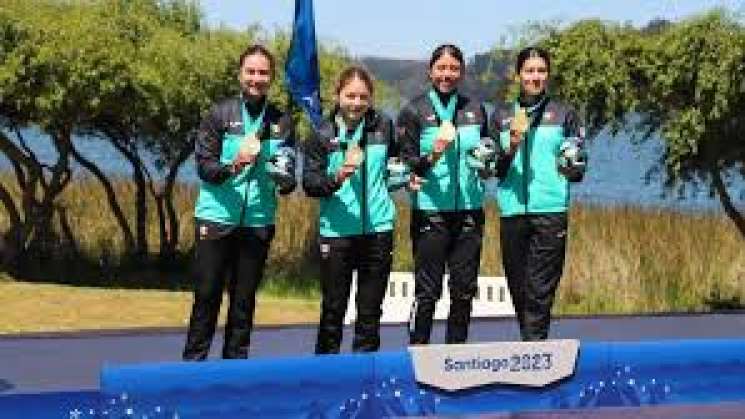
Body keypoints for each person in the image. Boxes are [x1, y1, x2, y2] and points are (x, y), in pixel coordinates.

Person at [183, 44, 297, 360]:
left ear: (271, 78)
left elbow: (288, 183)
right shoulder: (219, 114)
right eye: (251, 71)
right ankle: (193, 368)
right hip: (216, 218)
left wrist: (281, 174)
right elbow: (205, 169)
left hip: (258, 222)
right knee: (206, 296)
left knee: (243, 302)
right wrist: (235, 163)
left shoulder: (282, 121)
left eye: (263, 73)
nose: (256, 79)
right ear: (240, 74)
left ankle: (235, 370)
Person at [396, 44, 492, 345]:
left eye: (453, 68)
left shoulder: (475, 109)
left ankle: (456, 356)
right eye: (441, 68)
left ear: (461, 72)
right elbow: (406, 164)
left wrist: (486, 166)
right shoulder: (414, 110)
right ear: (431, 70)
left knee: (464, 291)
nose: (447, 74)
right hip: (431, 211)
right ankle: (418, 351)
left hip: (469, 211)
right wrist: (433, 155)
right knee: (428, 291)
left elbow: (485, 153)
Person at [492, 47, 587, 341]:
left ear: (548, 74)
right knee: (519, 290)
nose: (535, 77)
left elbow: (578, 171)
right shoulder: (502, 116)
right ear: (518, 75)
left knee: (540, 289)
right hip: (512, 212)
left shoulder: (564, 113)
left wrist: (573, 163)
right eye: (530, 71)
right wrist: (511, 146)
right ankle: (531, 348)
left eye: (541, 71)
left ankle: (535, 354)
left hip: (550, 211)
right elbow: (496, 170)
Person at [303, 66, 399, 354]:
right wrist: (337, 178)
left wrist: (407, 176)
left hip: (378, 232)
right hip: (337, 233)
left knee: (369, 316)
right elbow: (309, 183)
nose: (356, 103)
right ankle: (326, 381)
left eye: (363, 97)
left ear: (371, 98)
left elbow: (394, 166)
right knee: (333, 311)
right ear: (337, 95)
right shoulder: (321, 132)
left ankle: (365, 385)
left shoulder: (384, 125)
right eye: (350, 96)